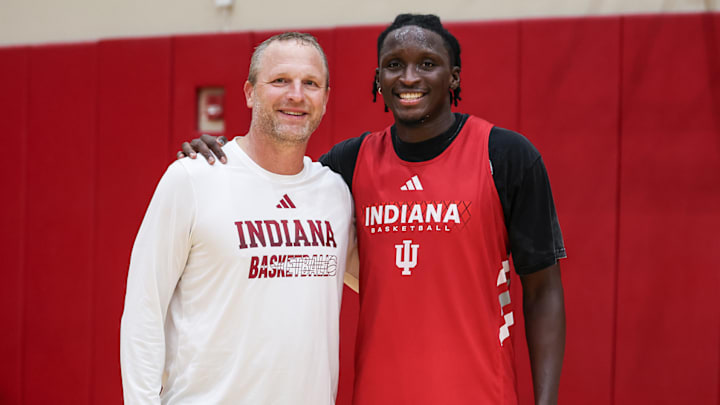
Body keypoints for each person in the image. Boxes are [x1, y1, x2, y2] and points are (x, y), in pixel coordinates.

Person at [182, 14, 566, 405]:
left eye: (427, 64)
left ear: (454, 77)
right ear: (378, 78)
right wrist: (227, 153)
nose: (409, 78)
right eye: (394, 65)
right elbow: (278, 182)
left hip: (480, 393)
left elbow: (543, 291)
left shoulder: (505, 155)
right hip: (379, 393)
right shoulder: (348, 164)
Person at [120, 32, 356, 404]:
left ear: (325, 99)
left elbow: (382, 282)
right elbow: (143, 311)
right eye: (280, 80)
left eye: (310, 83)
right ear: (249, 92)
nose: (296, 94)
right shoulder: (193, 179)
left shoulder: (336, 195)